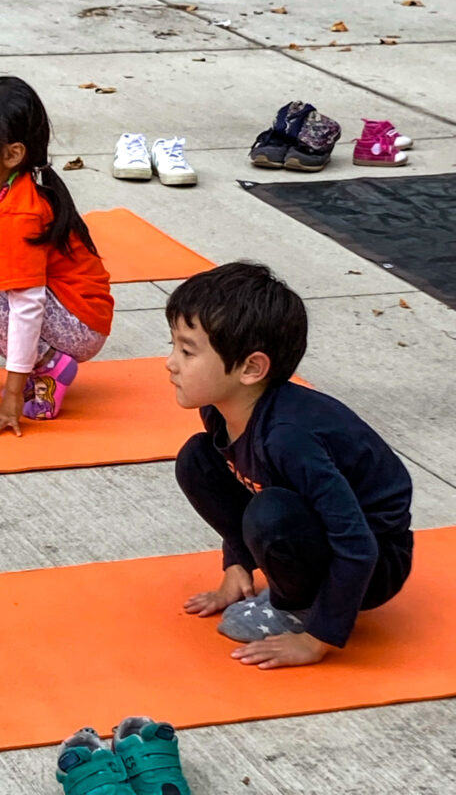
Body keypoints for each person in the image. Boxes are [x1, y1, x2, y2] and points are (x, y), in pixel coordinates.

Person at [166, 262, 413, 668]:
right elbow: (244, 478)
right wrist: (236, 563)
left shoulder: (288, 437)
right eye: (174, 345)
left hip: (377, 563)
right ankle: (268, 581)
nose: (170, 363)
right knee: (196, 460)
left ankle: (295, 607)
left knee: (272, 513)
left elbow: (359, 544)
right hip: (316, 529)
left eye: (187, 351)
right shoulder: (219, 411)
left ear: (251, 368)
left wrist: (317, 638)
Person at [0, 76, 114, 437]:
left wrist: (12, 395)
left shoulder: (19, 212)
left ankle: (49, 366)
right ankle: (43, 362)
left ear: (12, 154)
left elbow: (27, 304)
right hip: (56, 311)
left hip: (81, 323)